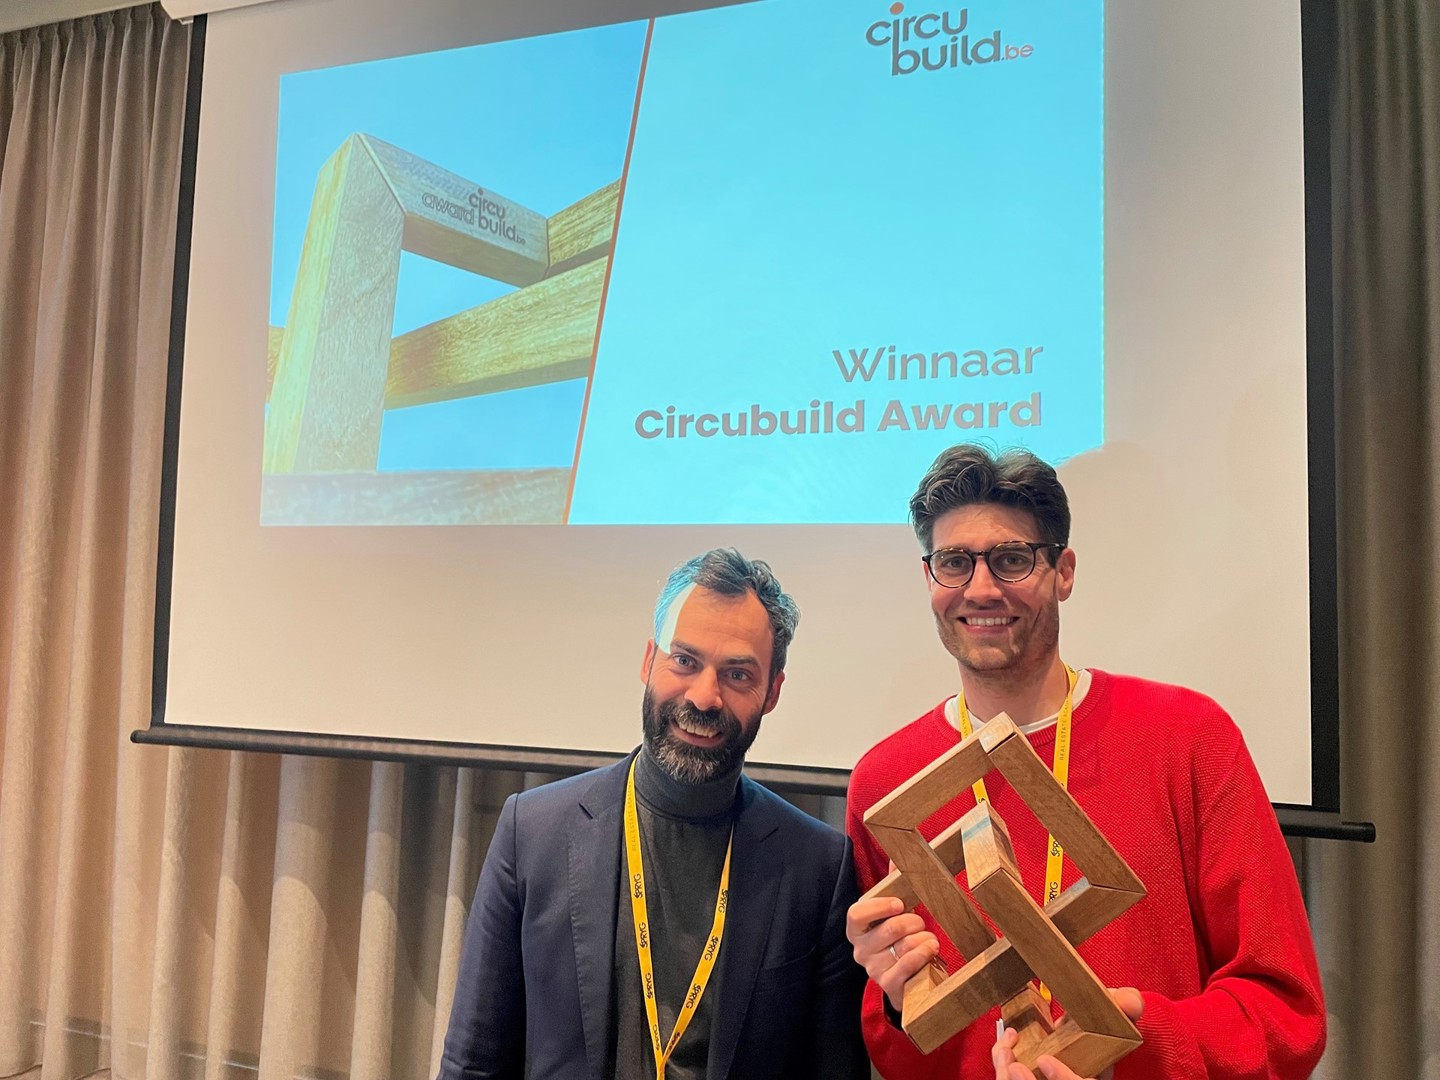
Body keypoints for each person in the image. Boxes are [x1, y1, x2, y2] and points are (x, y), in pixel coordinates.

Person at [844, 444, 1326, 1080]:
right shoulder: (885, 782)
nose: (981, 589)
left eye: (1011, 560)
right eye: (954, 563)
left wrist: (1134, 1037)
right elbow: (904, 1053)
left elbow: (1286, 1015)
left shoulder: (1189, 739)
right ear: (929, 579)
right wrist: (900, 1004)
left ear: (1063, 572)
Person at [438, 548, 869, 1080]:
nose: (704, 697)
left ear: (772, 692)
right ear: (649, 661)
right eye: (684, 661)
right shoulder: (532, 832)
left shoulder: (817, 868)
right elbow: (473, 1065)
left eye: (737, 674)